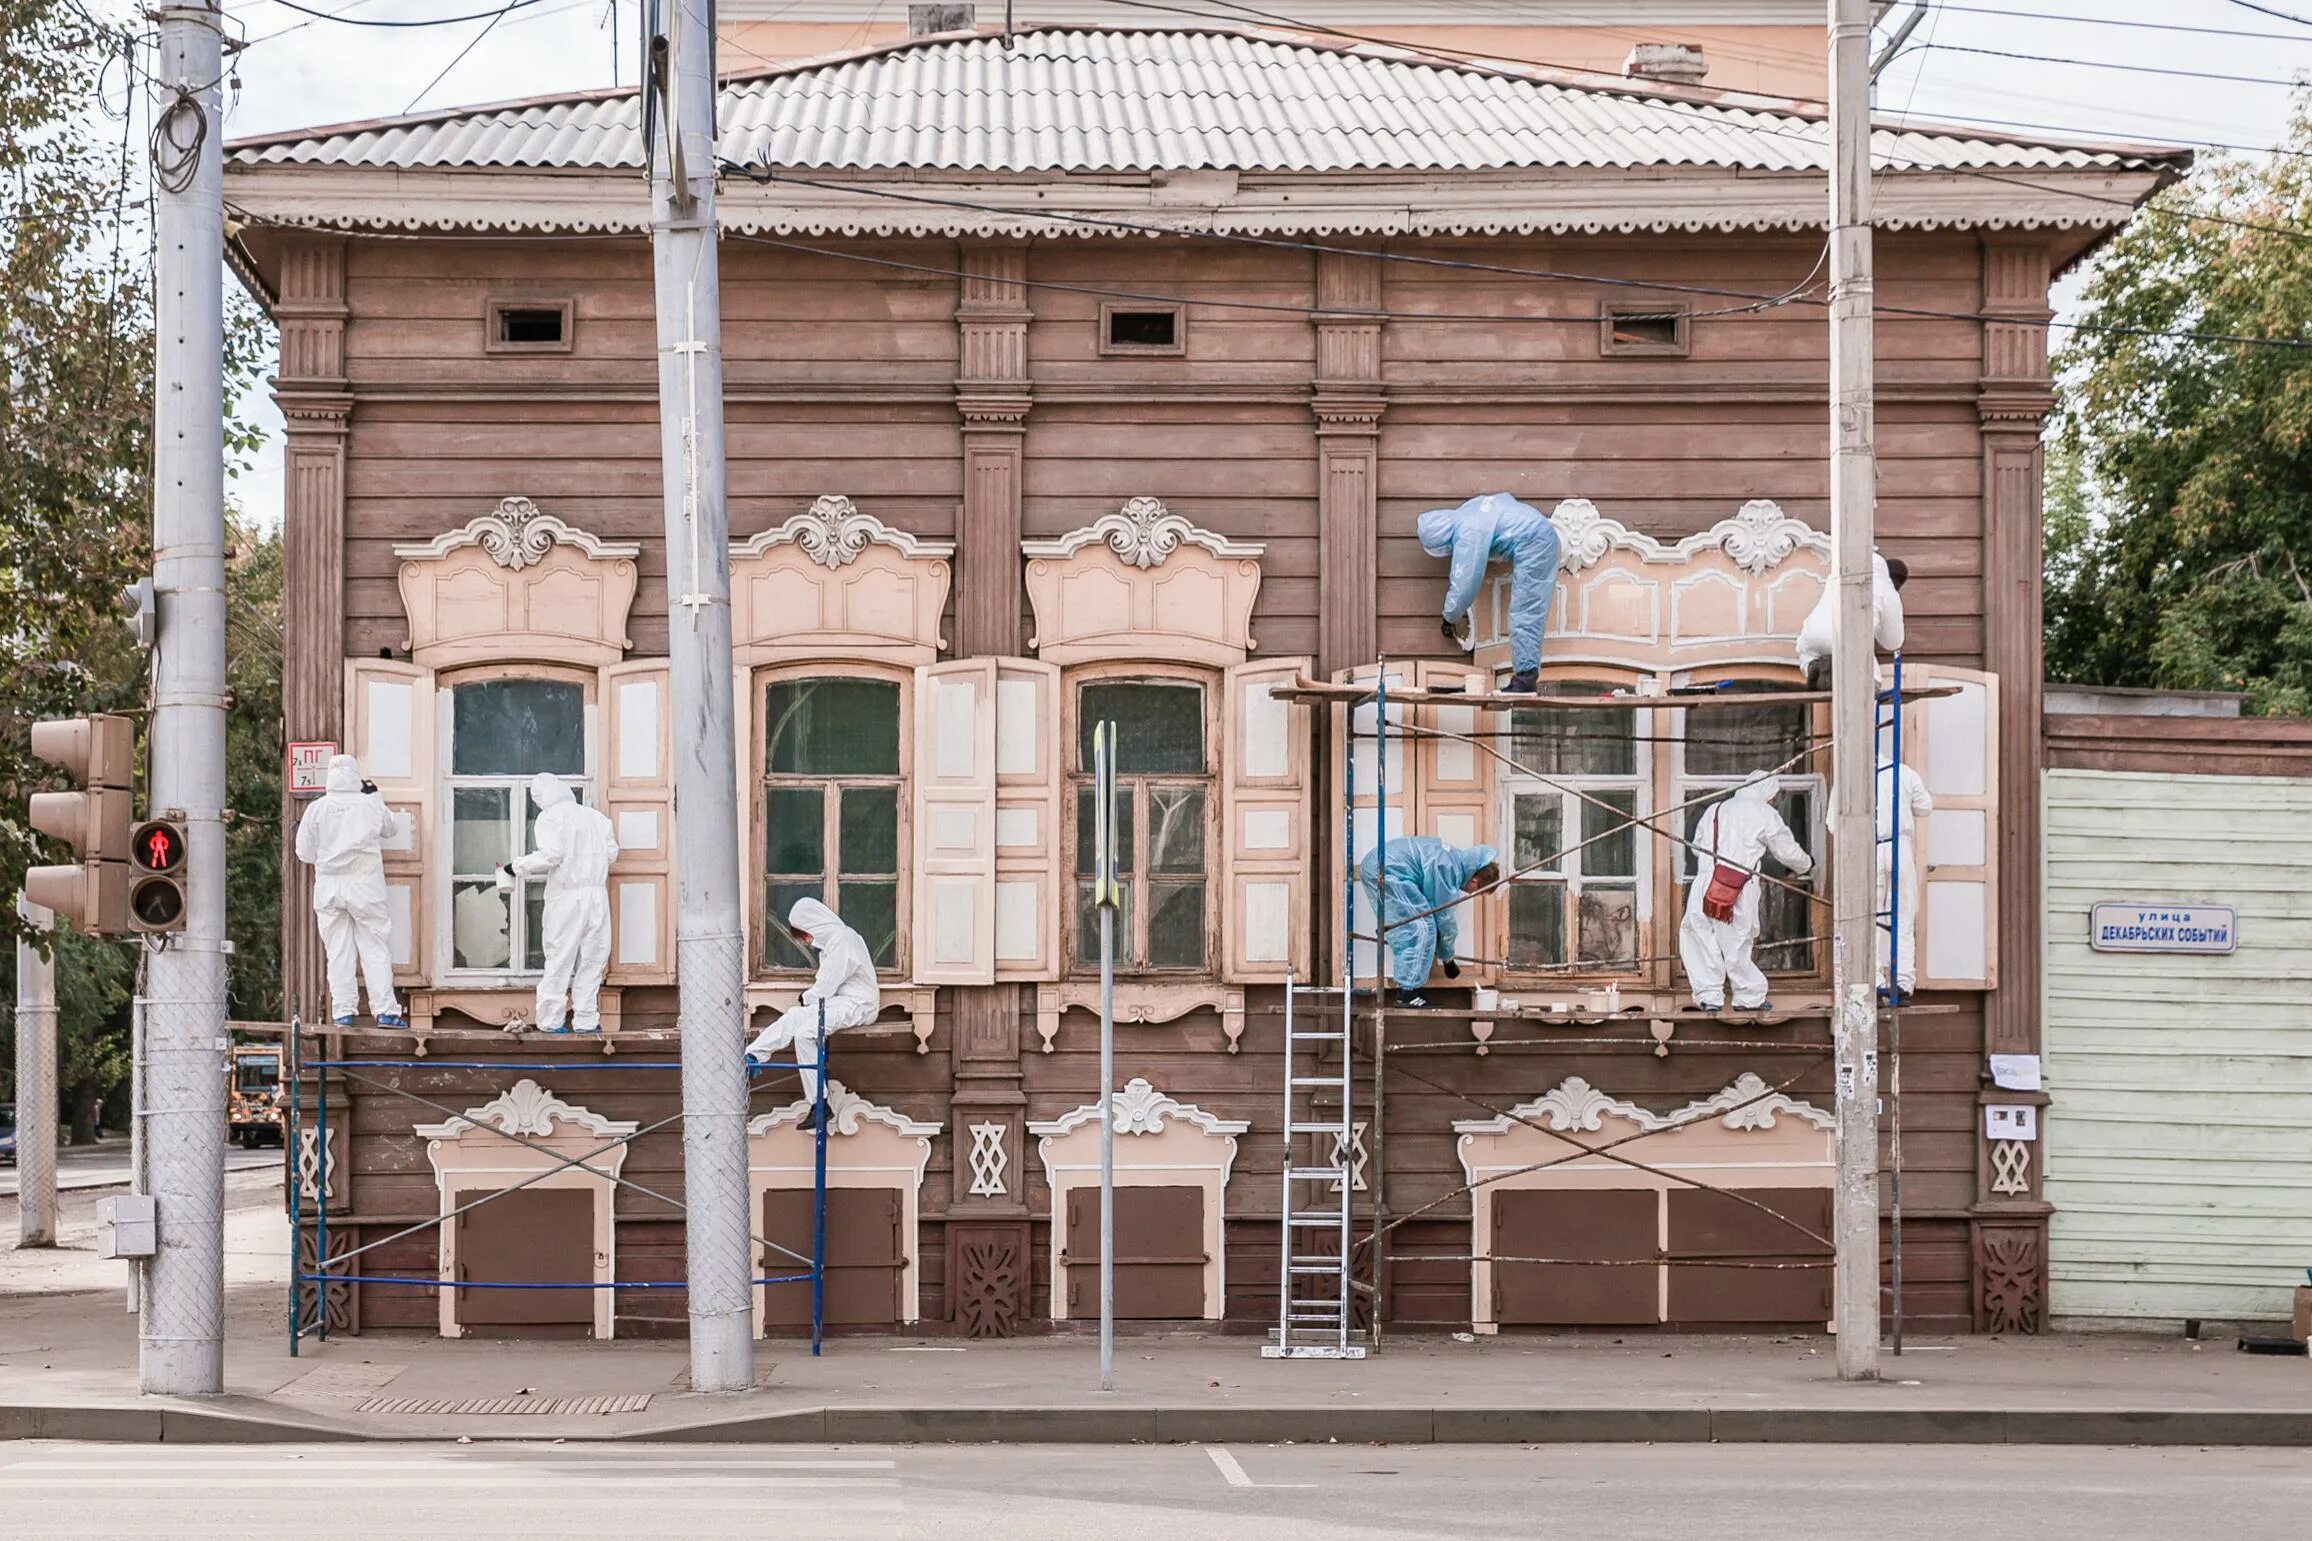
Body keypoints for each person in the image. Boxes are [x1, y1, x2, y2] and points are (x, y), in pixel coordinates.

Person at [1679, 771, 1815, 1013]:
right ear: (1768, 794)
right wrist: (1807, 865)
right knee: (1737, 942)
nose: (1774, 803)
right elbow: (1786, 850)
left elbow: (1698, 847)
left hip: (1706, 882)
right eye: (1774, 798)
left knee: (1699, 935)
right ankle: (1748, 996)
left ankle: (1708, 995)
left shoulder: (1716, 809)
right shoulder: (1764, 813)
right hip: (1738, 885)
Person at [292, 754, 409, 1028]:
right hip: (366, 885)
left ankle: (343, 1012)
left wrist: (327, 857)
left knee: (338, 951)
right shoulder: (369, 804)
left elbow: (303, 852)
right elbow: (392, 828)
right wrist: (376, 795)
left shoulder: (317, 809)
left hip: (330, 885)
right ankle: (385, 1011)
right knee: (374, 947)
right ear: (356, 776)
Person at [746, 897, 879, 1125]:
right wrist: (809, 999)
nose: (806, 942)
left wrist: (807, 997)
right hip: (841, 1001)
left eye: (804, 935)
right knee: (795, 1016)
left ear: (812, 926)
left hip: (859, 1004)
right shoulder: (833, 943)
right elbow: (827, 988)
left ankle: (819, 1103)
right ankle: (753, 1056)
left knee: (806, 1033)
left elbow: (827, 984)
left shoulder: (842, 940)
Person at [505, 772, 619, 1035]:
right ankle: (586, 1019)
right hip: (596, 895)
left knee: (560, 957)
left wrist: (517, 866)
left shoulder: (550, 817)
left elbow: (552, 855)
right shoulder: (596, 818)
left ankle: (550, 1020)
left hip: (567, 895)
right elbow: (612, 853)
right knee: (593, 958)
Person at [1416, 492, 1563, 694]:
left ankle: (1525, 680)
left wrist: (1449, 617)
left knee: (1525, 610)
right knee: (1527, 609)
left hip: (1534, 542)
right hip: (1538, 534)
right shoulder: (1470, 510)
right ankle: (1525, 677)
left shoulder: (1468, 531)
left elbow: (1465, 581)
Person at [1357, 837, 1500, 1008]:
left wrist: (1446, 956)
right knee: (1421, 929)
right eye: (1476, 892)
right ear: (1475, 881)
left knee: (1421, 926)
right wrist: (1448, 960)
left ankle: (1410, 989)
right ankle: (1407, 994)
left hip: (1383, 866)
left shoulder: (1451, 861)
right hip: (1386, 871)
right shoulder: (1447, 869)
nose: (1470, 894)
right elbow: (1444, 919)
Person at [1795, 551, 1907, 689]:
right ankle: (1840, 675)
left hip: (1812, 634)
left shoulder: (1839, 573)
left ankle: (1818, 668)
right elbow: (1893, 642)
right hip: (1847, 640)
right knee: (1872, 680)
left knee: (1808, 656)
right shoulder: (1887, 589)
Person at [1875, 753, 1934, 1004]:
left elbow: (1834, 821)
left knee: (1871, 917)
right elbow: (1925, 806)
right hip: (1900, 847)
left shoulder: (1852, 774)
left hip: (1871, 848)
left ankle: (1876, 979)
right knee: (1903, 915)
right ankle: (1903, 983)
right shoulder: (1905, 773)